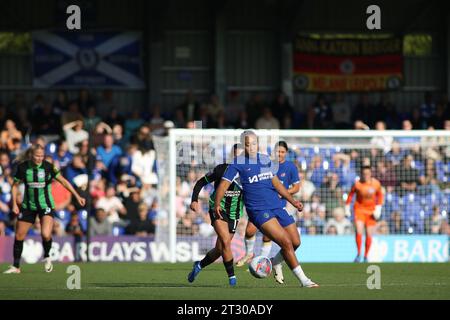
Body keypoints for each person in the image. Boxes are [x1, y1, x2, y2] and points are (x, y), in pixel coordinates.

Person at [216, 131, 318, 287]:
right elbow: (223, 185)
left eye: (254, 144)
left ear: (258, 144)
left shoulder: (265, 160)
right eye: (248, 144)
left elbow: (277, 184)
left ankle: (274, 262)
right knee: (285, 242)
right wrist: (217, 203)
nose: (251, 147)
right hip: (258, 209)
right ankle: (304, 281)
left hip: (276, 205)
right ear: (244, 145)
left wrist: (293, 201)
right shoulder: (237, 163)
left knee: (296, 242)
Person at [3, 144, 85, 274]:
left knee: (46, 234)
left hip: (45, 205)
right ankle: (16, 266)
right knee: (19, 236)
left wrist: (77, 195)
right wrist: (14, 203)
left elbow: (63, 181)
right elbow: (14, 185)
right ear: (31, 155)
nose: (39, 158)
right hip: (28, 206)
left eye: (41, 156)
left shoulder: (48, 167)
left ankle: (47, 257)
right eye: (37, 155)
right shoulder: (23, 167)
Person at [187, 143, 244, 286]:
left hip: (235, 214)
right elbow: (200, 182)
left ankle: (199, 265)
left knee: (220, 248)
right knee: (225, 241)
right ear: (233, 155)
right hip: (217, 209)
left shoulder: (248, 174)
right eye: (237, 154)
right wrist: (194, 200)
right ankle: (232, 279)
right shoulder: (221, 169)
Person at [236, 141, 300, 267]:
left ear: (286, 153)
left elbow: (296, 187)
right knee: (249, 231)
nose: (279, 154)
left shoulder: (290, 167)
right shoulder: (266, 164)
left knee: (269, 237)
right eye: (277, 151)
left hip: (279, 205)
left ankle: (266, 263)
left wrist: (284, 193)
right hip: (262, 205)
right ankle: (250, 254)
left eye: (282, 152)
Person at [345, 166, 384, 263]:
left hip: (371, 211)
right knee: (359, 230)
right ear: (362, 174)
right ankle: (358, 254)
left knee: (369, 234)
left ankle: (366, 256)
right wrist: (347, 207)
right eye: (364, 173)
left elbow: (380, 195)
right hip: (359, 209)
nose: (366, 175)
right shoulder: (357, 184)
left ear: (371, 174)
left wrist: (378, 208)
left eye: (368, 173)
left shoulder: (376, 184)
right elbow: (350, 195)